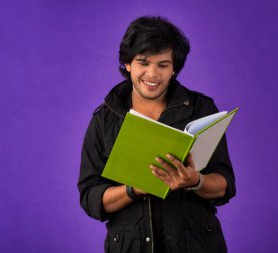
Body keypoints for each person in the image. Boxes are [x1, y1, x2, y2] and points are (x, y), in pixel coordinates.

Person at [78, 16, 236, 253]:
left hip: (197, 245)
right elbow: (91, 198)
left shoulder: (202, 110)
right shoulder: (104, 119)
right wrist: (134, 189)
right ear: (128, 64)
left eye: (163, 65)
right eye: (143, 62)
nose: (152, 74)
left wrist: (195, 181)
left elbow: (225, 184)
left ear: (174, 69)